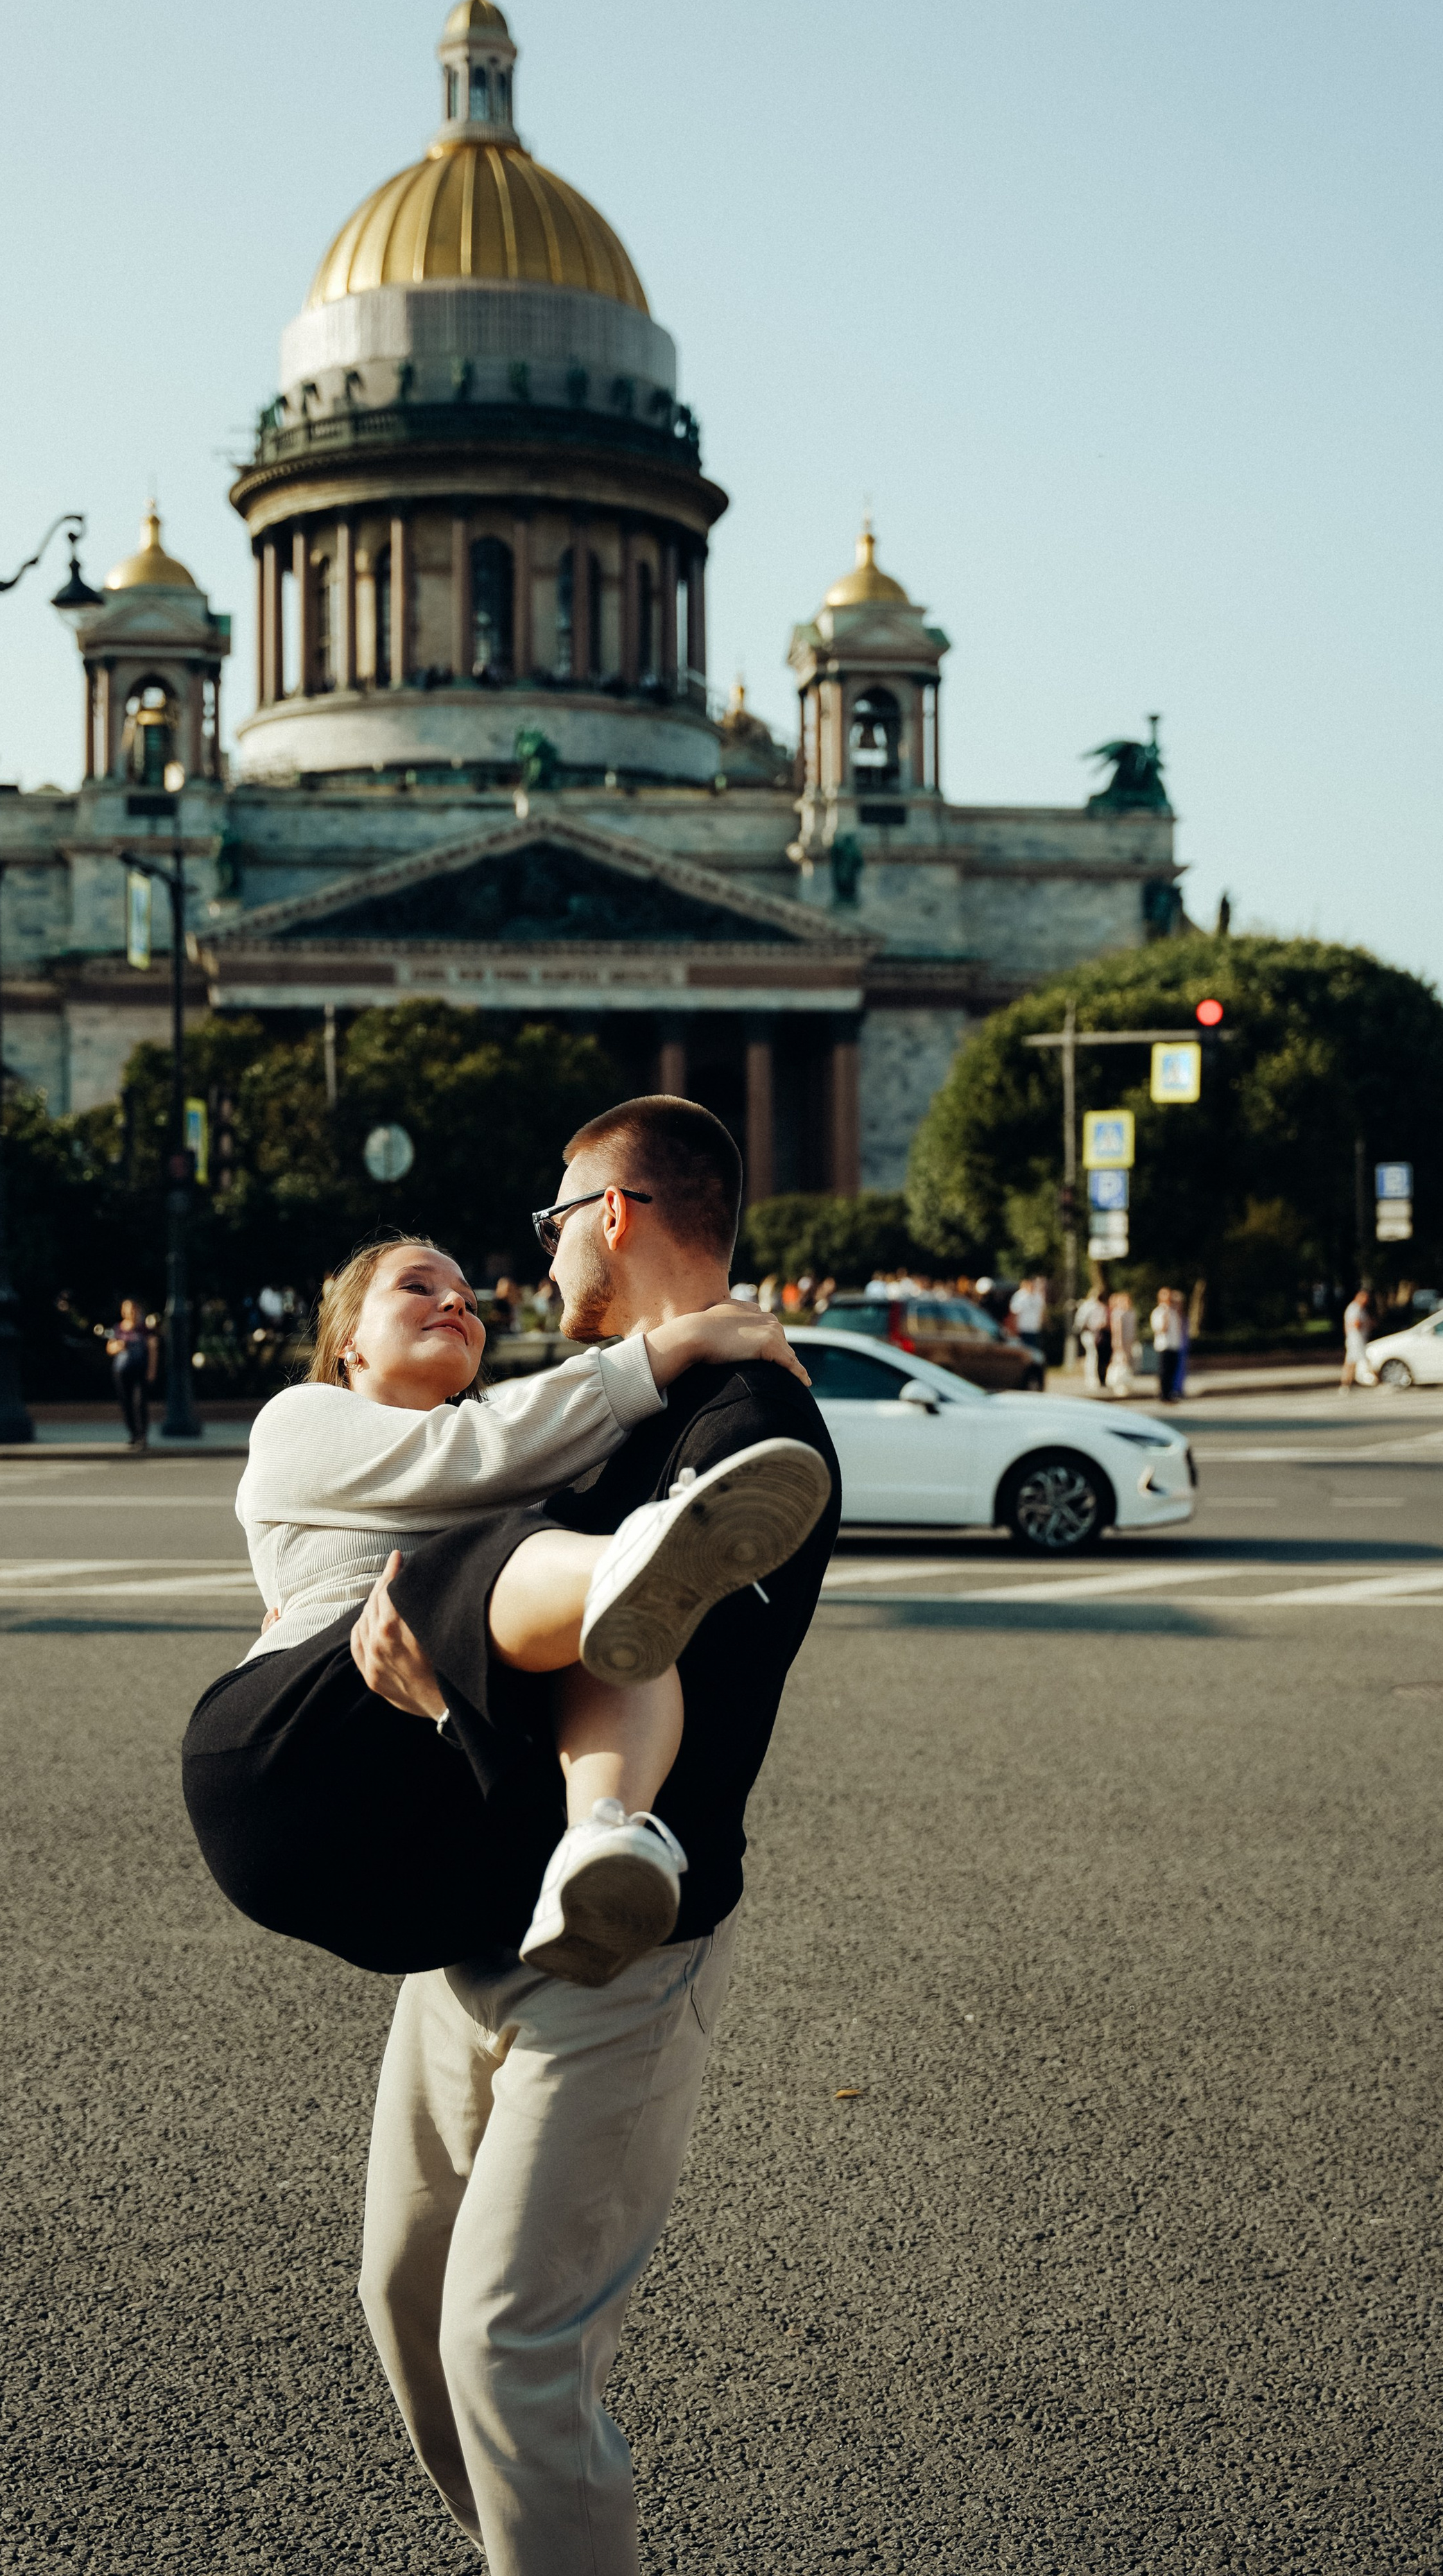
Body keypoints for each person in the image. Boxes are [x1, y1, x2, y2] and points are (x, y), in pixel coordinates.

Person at [343, 1097, 842, 2574]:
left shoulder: (752, 1435)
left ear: (612, 1214)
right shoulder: (602, 1403)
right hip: (464, 1932)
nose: (539, 1261)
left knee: (510, 2345)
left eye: (552, 1225)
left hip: (625, 1944)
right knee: (402, 2303)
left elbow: (662, 1682)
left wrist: (451, 1684)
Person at [183, 1241, 823, 1989]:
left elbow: (507, 1446)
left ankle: (602, 1847)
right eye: (418, 1286)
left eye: (468, 1298)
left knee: (616, 1635)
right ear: (347, 1340)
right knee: (498, 1563)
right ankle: (632, 1556)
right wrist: (677, 1341)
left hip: (418, 1862)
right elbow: (478, 1447)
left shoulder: (514, 1476)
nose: (456, 1302)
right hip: (283, 1769)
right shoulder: (300, 1418)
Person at [105, 1296, 153, 1447]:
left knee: (139, 1404)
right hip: (122, 1371)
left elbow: (153, 1348)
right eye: (127, 1309)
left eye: (132, 1309)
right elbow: (109, 1348)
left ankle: (142, 1436)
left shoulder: (143, 1329)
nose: (130, 1312)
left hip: (140, 1370)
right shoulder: (118, 1329)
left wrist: (152, 1370)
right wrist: (119, 1346)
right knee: (126, 1404)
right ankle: (133, 1434)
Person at [1009, 1274, 1047, 1384]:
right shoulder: (1020, 1296)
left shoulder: (1038, 1297)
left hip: (1034, 1330)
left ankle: (1032, 1376)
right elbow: (1014, 1314)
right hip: (1023, 1329)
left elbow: (1041, 1312)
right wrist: (1015, 1329)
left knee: (1034, 1355)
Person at [1152, 1287, 1186, 1403]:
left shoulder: (1174, 1312)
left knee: (1172, 1371)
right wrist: (1165, 1315)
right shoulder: (1158, 1312)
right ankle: (1163, 1394)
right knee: (1164, 1371)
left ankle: (1171, 1393)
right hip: (1164, 1345)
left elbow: (1179, 1329)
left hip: (1174, 1344)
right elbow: (1161, 1329)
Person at [1341, 1285, 1375, 1392]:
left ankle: (1347, 1383)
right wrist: (1366, 1324)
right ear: (1359, 1297)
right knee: (1365, 1360)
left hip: (1358, 1339)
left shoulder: (1360, 1309)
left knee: (1351, 1362)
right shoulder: (1354, 1308)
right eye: (1365, 1298)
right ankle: (1376, 1381)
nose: (1366, 1301)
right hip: (1356, 1340)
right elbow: (1355, 1324)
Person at [1106, 1290, 1138, 1398]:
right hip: (1121, 1342)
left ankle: (1126, 1384)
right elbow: (1117, 1330)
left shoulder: (1131, 1313)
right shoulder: (1118, 1314)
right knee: (1120, 1362)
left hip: (1129, 1341)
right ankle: (1118, 1384)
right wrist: (1118, 1343)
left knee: (1127, 1363)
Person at [1075, 1284, 1109, 1386]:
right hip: (1090, 1333)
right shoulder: (1090, 1306)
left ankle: (1092, 1378)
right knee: (1092, 1355)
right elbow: (1081, 1322)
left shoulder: (1091, 1305)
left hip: (1093, 1334)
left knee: (1093, 1356)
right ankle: (1091, 1379)